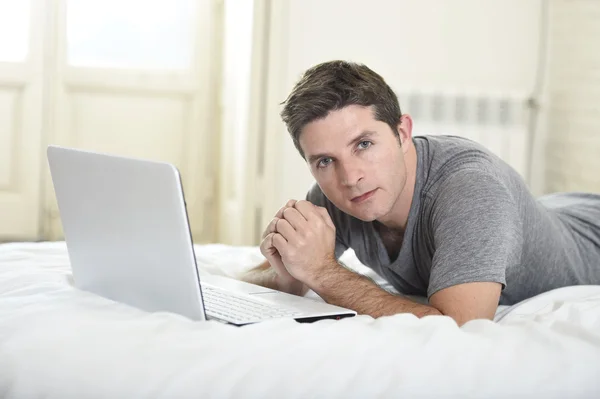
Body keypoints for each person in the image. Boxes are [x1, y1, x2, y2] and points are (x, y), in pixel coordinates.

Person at [240, 60, 600, 325]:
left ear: (402, 132)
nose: (350, 177)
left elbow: (459, 325)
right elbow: (259, 277)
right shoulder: (335, 192)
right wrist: (287, 269)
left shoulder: (471, 189)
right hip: (553, 210)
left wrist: (322, 272)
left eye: (364, 144)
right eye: (324, 161)